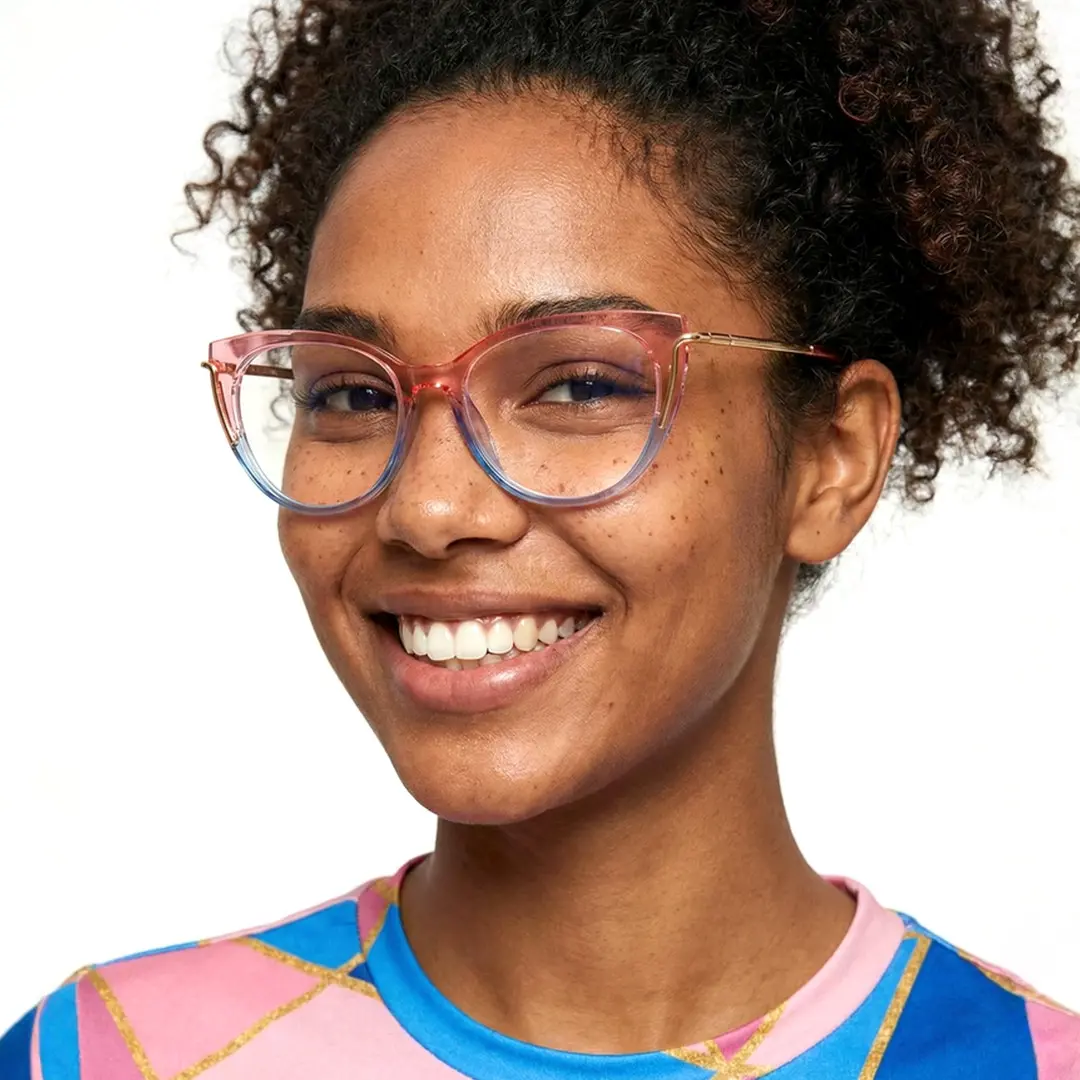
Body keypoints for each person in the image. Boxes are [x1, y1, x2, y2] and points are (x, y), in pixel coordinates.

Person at [4, 0, 1079, 1076]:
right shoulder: (101, 1056)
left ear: (833, 458)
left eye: (579, 385)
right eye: (352, 395)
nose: (427, 509)